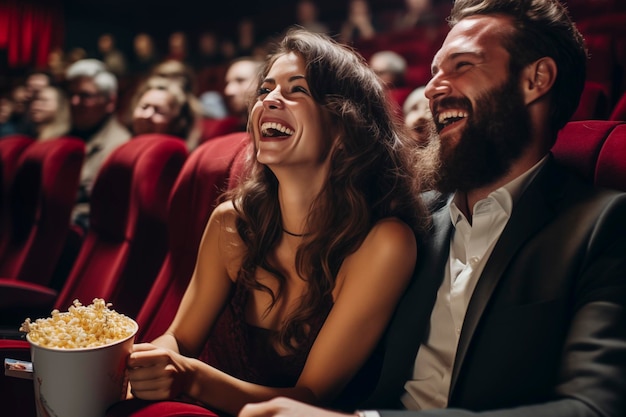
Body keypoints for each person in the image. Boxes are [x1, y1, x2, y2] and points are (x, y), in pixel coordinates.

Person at [239, 0, 626, 417]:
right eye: (435, 71)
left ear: (537, 79)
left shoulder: (602, 227)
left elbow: (593, 408)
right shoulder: (406, 221)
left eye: (462, 66)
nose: (433, 89)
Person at [114, 28, 431, 417]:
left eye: (296, 90)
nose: (269, 100)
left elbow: (311, 398)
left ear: (344, 130)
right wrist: (155, 360)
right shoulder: (231, 223)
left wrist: (191, 379)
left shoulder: (383, 243)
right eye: (265, 90)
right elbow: (180, 338)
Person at [66, 58, 131, 230]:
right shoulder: (59, 135)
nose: (74, 102)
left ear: (110, 102)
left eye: (85, 95)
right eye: (71, 94)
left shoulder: (120, 147)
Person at [130, 76, 195, 142]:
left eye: (159, 111)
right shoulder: (126, 143)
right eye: (144, 107)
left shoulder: (173, 150)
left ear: (176, 123)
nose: (147, 115)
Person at [223, 56, 264, 130]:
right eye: (227, 83)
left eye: (240, 80)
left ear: (263, 83)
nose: (228, 91)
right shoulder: (226, 128)